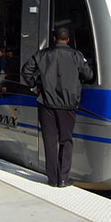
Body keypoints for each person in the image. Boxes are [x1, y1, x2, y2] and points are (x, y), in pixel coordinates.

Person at [21, 27, 94, 188]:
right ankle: (63, 178)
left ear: (54, 39)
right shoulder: (77, 56)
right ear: (68, 40)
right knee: (66, 140)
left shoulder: (42, 55)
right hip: (68, 106)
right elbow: (89, 75)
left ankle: (52, 179)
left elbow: (26, 71)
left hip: (46, 103)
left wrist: (34, 87)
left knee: (50, 140)